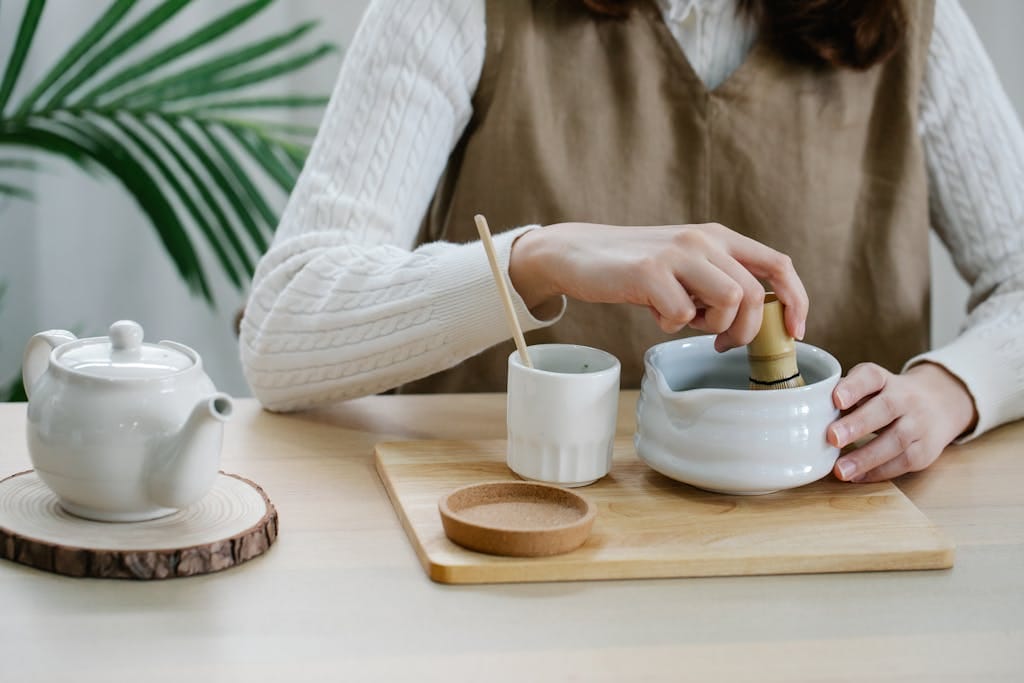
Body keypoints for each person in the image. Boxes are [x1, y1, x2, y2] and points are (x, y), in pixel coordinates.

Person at [239, 0, 1024, 485]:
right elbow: (280, 332)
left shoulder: (918, 22)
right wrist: (537, 257)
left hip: (833, 552)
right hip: (513, 552)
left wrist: (951, 390)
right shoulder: (455, 9)